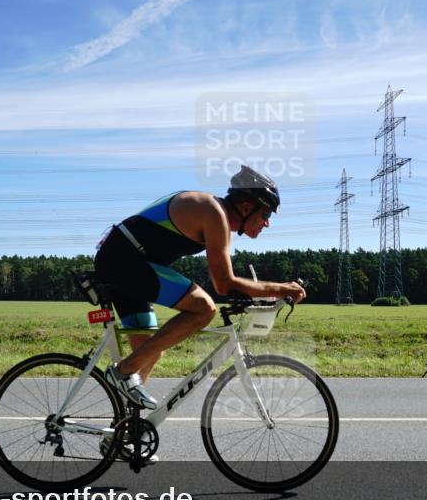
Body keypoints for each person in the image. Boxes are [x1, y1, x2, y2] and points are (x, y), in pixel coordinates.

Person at [94, 165, 306, 411]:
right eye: (266, 214)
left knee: (148, 352)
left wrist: (260, 293)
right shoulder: (213, 213)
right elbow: (224, 283)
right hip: (124, 261)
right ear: (247, 207)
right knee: (204, 308)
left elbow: (231, 282)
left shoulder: (217, 215)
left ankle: (123, 435)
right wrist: (282, 289)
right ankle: (121, 373)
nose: (267, 223)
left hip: (124, 261)